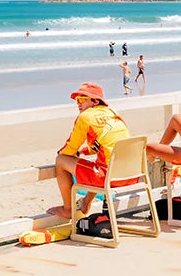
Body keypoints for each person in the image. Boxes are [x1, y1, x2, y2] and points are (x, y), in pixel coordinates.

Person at [54, 83, 129, 220]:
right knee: (98, 163)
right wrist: (84, 151)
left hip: (109, 178)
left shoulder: (85, 117)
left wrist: (62, 153)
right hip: (130, 175)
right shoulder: (113, 113)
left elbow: (70, 148)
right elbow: (103, 143)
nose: (79, 104)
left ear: (95, 101)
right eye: (77, 100)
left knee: (60, 161)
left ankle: (67, 209)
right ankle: (86, 203)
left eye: (83, 99)